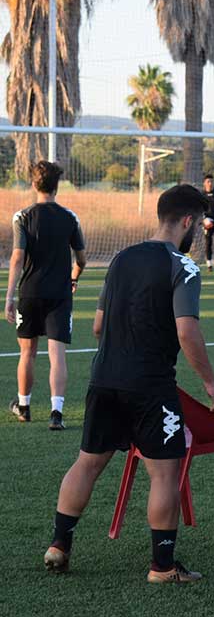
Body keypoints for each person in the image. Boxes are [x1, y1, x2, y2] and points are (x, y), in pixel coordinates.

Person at [44, 184, 214, 584]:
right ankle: (162, 567)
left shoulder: (122, 259)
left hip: (104, 376)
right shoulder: (183, 265)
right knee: (164, 474)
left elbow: (97, 326)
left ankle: (59, 544)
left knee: (87, 462)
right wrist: (209, 381)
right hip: (151, 384)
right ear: (189, 222)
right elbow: (187, 331)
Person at [6, 161, 86, 430]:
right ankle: (56, 413)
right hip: (59, 295)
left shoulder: (22, 217)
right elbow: (82, 259)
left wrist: (8, 298)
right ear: (57, 186)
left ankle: (24, 407)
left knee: (27, 352)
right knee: (57, 354)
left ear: (33, 184)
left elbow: (17, 258)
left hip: (29, 293)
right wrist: (74, 277)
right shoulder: (70, 218)